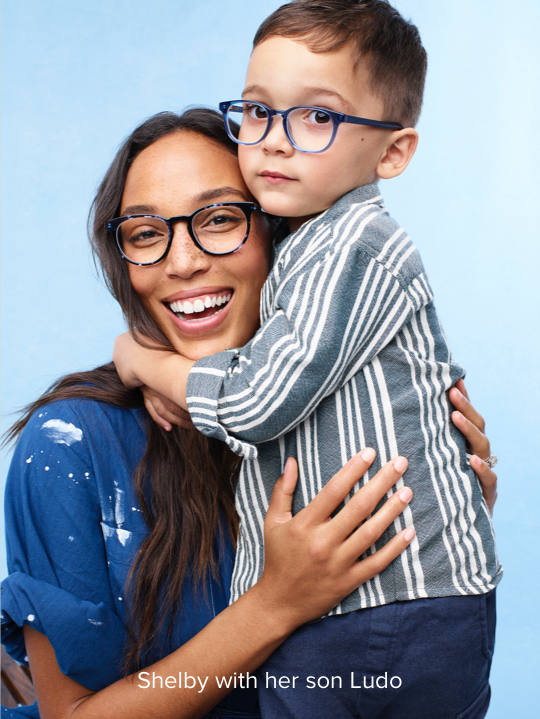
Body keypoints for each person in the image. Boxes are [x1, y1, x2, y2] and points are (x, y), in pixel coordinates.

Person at [1, 107, 496, 719]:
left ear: (282, 234)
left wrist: (441, 511)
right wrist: (276, 603)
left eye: (219, 219)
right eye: (146, 234)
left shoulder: (363, 413)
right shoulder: (69, 443)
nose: (182, 262)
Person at [111, 2, 501, 717]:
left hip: (384, 615)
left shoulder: (353, 246)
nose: (275, 143)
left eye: (317, 116)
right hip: (371, 615)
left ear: (392, 152)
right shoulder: (306, 252)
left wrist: (143, 361)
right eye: (257, 113)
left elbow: (259, 401)